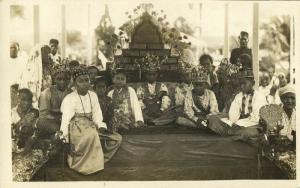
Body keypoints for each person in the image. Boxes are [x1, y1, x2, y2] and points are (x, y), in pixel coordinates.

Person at [60, 66, 107, 175]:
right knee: (91, 135)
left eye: (87, 80)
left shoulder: (93, 95)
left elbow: (97, 113)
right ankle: (84, 166)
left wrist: (100, 125)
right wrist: (64, 138)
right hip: (77, 126)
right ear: (75, 84)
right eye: (81, 81)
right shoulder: (69, 98)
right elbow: (66, 119)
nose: (85, 83)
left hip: (91, 124)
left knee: (115, 138)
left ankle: (96, 162)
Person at [208, 69, 268, 144]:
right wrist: (231, 123)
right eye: (240, 84)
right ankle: (232, 134)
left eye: (244, 84)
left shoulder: (259, 96)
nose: (242, 86)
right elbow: (233, 114)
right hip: (238, 125)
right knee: (213, 119)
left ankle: (230, 135)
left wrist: (238, 124)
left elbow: (255, 119)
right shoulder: (239, 96)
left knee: (246, 132)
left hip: (253, 126)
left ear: (253, 83)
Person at [36, 64, 72, 139]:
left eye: (65, 79)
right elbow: (43, 114)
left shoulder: (71, 93)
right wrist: (58, 118)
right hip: (51, 121)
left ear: (69, 79)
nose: (62, 82)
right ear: (55, 79)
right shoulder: (46, 93)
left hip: (67, 120)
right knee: (42, 122)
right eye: (59, 79)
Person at [93, 75, 123, 163]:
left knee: (118, 138)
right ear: (94, 88)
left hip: (105, 128)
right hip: (93, 128)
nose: (101, 89)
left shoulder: (109, 100)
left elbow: (113, 115)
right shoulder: (91, 100)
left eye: (103, 87)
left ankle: (103, 159)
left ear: (106, 88)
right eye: (99, 87)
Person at [136, 54, 172, 125]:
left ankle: (156, 120)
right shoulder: (141, 87)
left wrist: (161, 110)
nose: (151, 76)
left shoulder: (162, 85)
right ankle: (151, 120)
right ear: (146, 75)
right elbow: (139, 100)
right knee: (139, 113)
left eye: (153, 74)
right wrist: (145, 110)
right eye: (149, 74)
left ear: (157, 75)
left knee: (166, 100)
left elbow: (165, 98)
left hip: (159, 110)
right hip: (146, 110)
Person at [11, 89, 39, 153]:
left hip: (32, 146)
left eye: (29, 100)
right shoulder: (12, 114)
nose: (26, 102)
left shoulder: (35, 113)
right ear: (18, 100)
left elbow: (38, 131)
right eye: (23, 99)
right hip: (15, 148)